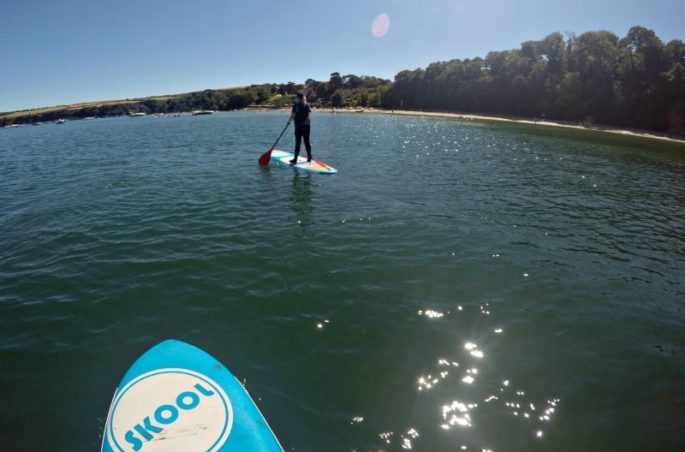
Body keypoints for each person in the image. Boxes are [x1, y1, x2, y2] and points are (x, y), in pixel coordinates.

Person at [288, 92, 312, 164]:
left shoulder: (296, 105)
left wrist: (288, 122)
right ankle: (309, 157)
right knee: (307, 142)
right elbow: (310, 111)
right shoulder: (307, 104)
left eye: (296, 97)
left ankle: (295, 159)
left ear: (298, 98)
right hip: (307, 125)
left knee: (298, 142)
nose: (295, 99)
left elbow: (293, 115)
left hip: (299, 125)